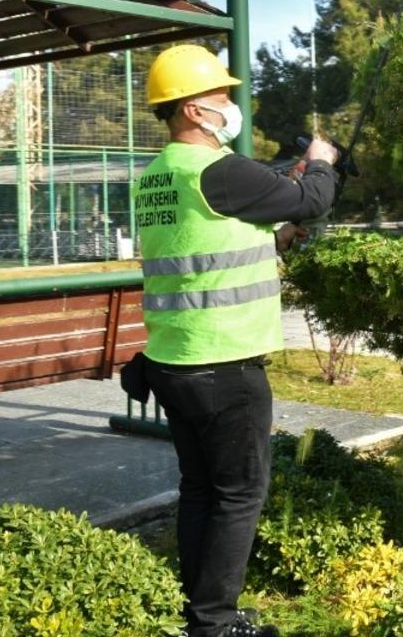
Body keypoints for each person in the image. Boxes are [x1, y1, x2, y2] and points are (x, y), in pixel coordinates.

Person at [134, 44, 339, 637]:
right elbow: (313, 197)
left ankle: (197, 607)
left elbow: (202, 252)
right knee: (240, 494)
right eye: (222, 97)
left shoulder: (158, 176)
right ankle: (216, 624)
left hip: (174, 360)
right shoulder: (218, 169)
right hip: (226, 365)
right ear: (195, 111)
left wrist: (276, 240)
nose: (231, 106)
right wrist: (320, 159)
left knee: (201, 488)